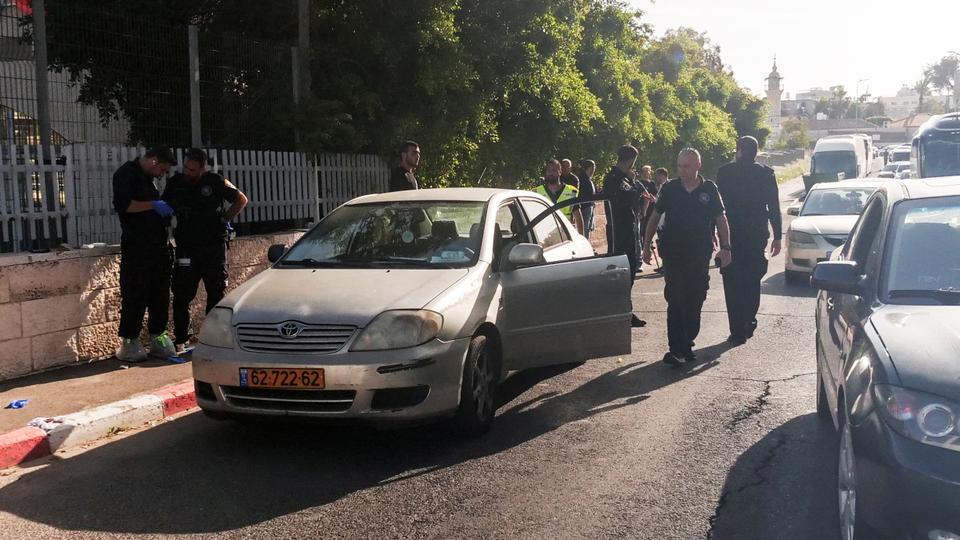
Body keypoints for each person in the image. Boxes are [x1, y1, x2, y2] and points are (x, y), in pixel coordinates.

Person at [642, 148, 732, 365]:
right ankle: (676, 349)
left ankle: (686, 341)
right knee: (675, 299)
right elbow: (654, 217)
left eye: (687, 166)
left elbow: (721, 219)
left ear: (697, 166)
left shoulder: (709, 189)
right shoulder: (670, 188)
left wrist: (726, 247)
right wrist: (645, 245)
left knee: (696, 297)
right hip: (673, 253)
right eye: (680, 166)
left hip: (699, 253)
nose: (682, 170)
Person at [163, 149, 249, 352]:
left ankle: (212, 337)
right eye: (185, 168)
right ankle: (182, 338)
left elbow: (241, 200)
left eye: (192, 169)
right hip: (186, 247)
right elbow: (165, 205)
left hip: (213, 246)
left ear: (203, 168)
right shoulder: (176, 183)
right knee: (182, 294)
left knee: (215, 292)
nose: (188, 172)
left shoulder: (216, 181)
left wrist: (225, 219)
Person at [112, 147, 179, 362]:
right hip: (137, 246)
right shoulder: (126, 174)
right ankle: (129, 341)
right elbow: (125, 205)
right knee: (135, 293)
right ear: (153, 161)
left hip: (158, 245)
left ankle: (158, 336)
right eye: (162, 169)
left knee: (160, 293)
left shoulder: (149, 179)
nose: (162, 174)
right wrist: (153, 205)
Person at [716, 136, 782, 345]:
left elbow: (717, 209)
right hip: (755, 235)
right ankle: (748, 321)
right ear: (755, 151)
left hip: (731, 235)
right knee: (752, 280)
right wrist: (778, 236)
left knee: (732, 280)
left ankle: (736, 329)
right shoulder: (765, 174)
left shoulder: (725, 172)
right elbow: (773, 207)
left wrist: (711, 231)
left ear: (739, 151)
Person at [602, 144, 647, 328]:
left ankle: (626, 309)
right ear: (630, 160)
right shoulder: (614, 178)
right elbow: (631, 196)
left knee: (631, 269)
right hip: (618, 230)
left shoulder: (621, 178)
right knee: (622, 272)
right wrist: (634, 182)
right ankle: (621, 311)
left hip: (628, 227)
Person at [534, 159, 584, 234]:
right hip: (543, 236)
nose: (551, 173)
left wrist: (581, 238)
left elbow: (578, 218)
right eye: (549, 171)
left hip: (566, 236)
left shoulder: (571, 192)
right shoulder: (537, 192)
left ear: (560, 172)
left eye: (554, 170)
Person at [577, 159, 597, 236]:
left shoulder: (588, 179)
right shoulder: (582, 178)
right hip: (585, 206)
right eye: (593, 168)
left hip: (589, 205)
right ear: (588, 167)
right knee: (584, 227)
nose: (594, 170)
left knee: (588, 227)